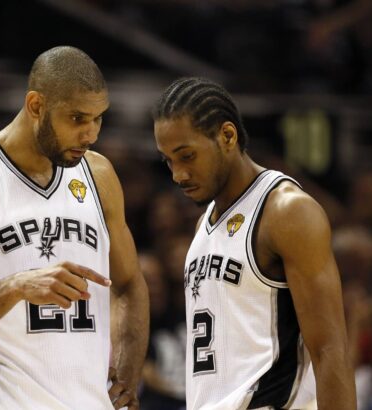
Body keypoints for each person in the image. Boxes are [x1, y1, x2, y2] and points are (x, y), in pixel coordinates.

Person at [0, 46, 149, 409]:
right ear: (36, 105)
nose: (91, 134)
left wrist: (127, 374)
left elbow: (129, 284)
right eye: (77, 118)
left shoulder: (98, 175)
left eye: (99, 118)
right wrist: (16, 287)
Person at [152, 77, 356, 409]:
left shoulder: (287, 211)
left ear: (227, 136)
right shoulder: (204, 222)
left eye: (187, 156)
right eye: (168, 161)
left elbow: (330, 350)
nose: (177, 174)